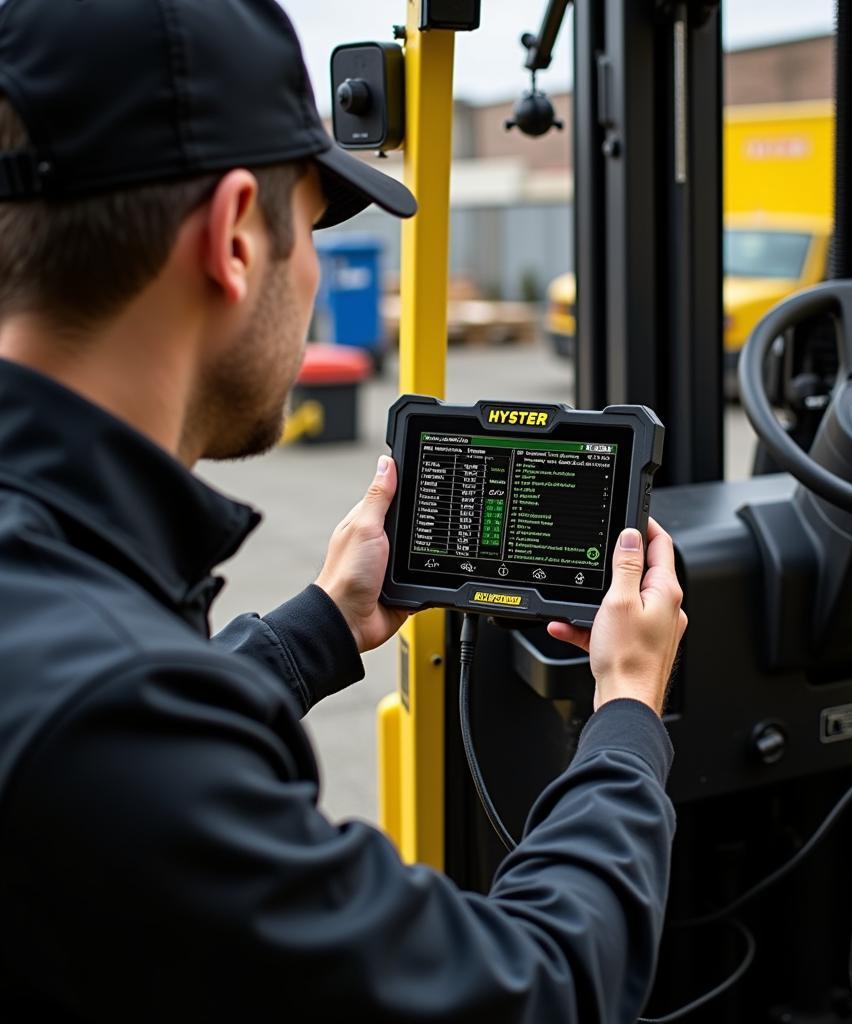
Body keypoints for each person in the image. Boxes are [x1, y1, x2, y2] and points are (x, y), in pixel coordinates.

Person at [0, 1, 688, 1021]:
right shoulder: (108, 715)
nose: (313, 271)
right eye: (312, 225)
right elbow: (538, 992)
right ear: (237, 236)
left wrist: (322, 624)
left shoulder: (60, 622)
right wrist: (629, 709)